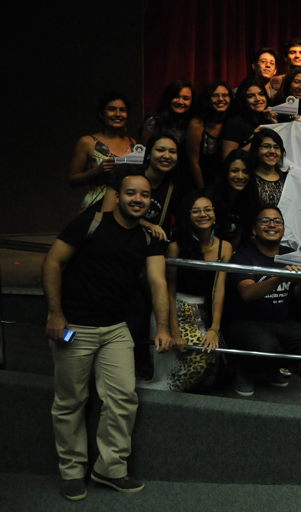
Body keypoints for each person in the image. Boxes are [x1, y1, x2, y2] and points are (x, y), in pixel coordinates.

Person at [43, 174, 171, 500]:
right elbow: (53, 262)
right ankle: (72, 472)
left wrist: (164, 326)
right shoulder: (91, 222)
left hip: (116, 329)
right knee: (70, 401)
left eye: (144, 195)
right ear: (118, 195)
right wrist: (55, 314)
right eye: (131, 193)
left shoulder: (148, 238)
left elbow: (158, 282)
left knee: (123, 398)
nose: (138, 199)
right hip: (75, 327)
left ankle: (110, 468)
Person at [226, 205, 301, 395]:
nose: (272, 225)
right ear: (254, 230)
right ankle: (245, 370)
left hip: (279, 322)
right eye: (265, 221)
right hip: (246, 322)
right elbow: (247, 294)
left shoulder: (292, 254)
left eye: (277, 221)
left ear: (283, 230)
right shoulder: (243, 256)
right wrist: (279, 277)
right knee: (265, 345)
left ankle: (270, 366)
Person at [147, 190, 232, 392]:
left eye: (207, 209)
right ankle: (165, 396)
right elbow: (169, 290)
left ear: (215, 215)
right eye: (196, 211)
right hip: (176, 309)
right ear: (188, 216)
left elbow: (219, 289)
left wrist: (214, 329)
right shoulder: (176, 247)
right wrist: (175, 332)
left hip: (204, 310)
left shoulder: (225, 247)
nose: (203, 214)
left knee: (215, 358)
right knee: (197, 354)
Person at [100, 133, 180, 241]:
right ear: (148, 154)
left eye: (172, 152)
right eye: (160, 150)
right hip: (114, 236)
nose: (167, 156)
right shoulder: (127, 172)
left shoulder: (172, 186)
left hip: (142, 243)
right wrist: (146, 224)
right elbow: (106, 214)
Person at [69, 91, 136, 211]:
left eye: (122, 110)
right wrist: (96, 171)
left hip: (127, 207)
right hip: (97, 205)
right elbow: (73, 181)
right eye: (112, 109)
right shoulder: (87, 142)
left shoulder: (132, 142)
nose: (118, 114)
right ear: (101, 113)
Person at [184, 81, 232, 189]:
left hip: (225, 184)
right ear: (207, 99)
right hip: (198, 183)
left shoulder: (232, 122)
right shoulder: (197, 124)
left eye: (225, 95)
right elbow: (193, 162)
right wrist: (203, 191)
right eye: (215, 95)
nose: (221, 99)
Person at [211, 149, 258, 250]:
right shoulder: (210, 198)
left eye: (245, 172)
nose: (240, 176)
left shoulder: (251, 199)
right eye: (234, 171)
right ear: (226, 172)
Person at [220, 78, 277, 158]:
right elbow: (227, 158)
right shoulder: (235, 123)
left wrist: (275, 125)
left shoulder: (268, 120)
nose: (258, 99)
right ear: (243, 100)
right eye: (250, 96)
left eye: (261, 94)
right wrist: (256, 140)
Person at [141, 79, 194, 146]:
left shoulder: (192, 122)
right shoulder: (153, 121)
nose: (180, 102)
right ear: (168, 97)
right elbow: (146, 149)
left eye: (185, 98)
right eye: (176, 97)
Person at [252, 128, 287, 206]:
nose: (272, 151)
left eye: (276, 147)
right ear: (256, 150)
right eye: (266, 146)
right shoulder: (248, 179)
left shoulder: (287, 179)